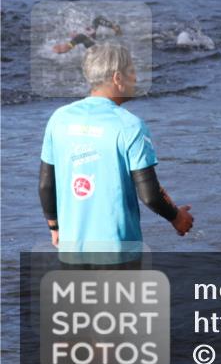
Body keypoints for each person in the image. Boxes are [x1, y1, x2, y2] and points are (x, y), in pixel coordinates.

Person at [38, 43, 194, 264]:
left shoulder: (59, 118)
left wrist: (54, 227)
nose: (136, 79)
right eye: (132, 71)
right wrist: (177, 217)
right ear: (117, 78)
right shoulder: (130, 126)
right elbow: (150, 193)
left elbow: (46, 184)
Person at [52, 15, 122, 54]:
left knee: (82, 36)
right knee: (96, 21)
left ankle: (115, 28)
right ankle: (115, 28)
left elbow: (81, 36)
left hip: (99, 52)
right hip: (97, 49)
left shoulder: (87, 38)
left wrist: (69, 45)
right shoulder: (87, 37)